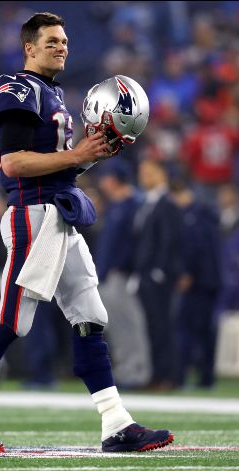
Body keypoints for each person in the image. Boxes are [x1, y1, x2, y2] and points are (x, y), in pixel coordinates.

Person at [0, 12, 173, 453]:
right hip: (33, 216)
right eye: (51, 41)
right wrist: (77, 154)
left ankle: (116, 423)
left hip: (60, 214)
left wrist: (95, 153)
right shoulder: (16, 88)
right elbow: (13, 164)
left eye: (64, 41)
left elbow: (62, 165)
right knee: (12, 321)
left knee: (90, 316)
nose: (62, 47)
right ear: (29, 47)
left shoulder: (54, 94)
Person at [95, 161, 151, 389]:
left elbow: (137, 243)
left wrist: (127, 267)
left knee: (129, 324)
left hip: (122, 274)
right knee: (116, 327)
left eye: (105, 178)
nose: (102, 183)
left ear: (114, 178)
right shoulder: (116, 206)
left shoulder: (133, 205)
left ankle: (136, 372)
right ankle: (125, 370)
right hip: (108, 275)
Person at [131, 159, 182, 390]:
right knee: (151, 326)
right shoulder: (146, 203)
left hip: (157, 276)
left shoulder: (167, 204)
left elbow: (169, 240)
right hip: (144, 274)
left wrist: (158, 270)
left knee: (162, 326)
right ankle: (156, 374)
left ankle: (167, 375)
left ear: (162, 174)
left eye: (149, 172)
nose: (144, 177)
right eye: (142, 172)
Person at [170, 180, 222, 389]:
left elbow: (196, 247)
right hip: (209, 280)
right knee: (203, 330)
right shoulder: (204, 213)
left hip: (199, 282)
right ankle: (205, 377)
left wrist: (187, 273)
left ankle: (185, 376)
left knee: (190, 329)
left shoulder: (193, 216)